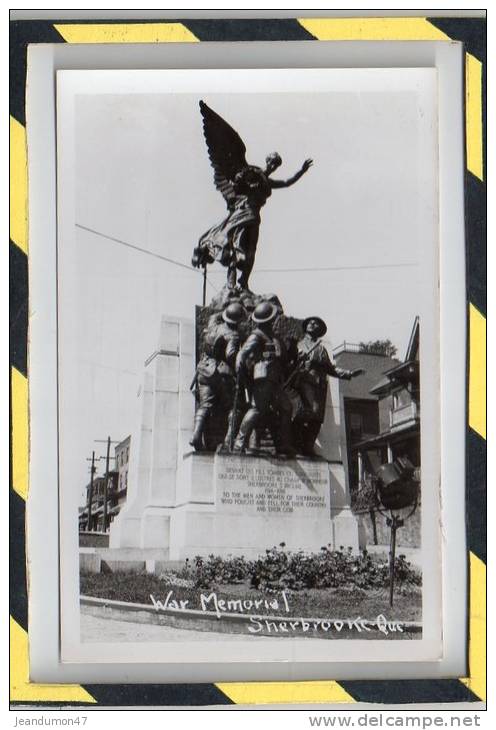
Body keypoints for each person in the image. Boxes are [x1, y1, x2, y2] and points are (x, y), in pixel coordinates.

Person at [193, 154, 313, 289]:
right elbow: (236, 182)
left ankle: (244, 281)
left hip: (254, 216)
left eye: (276, 165)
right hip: (243, 212)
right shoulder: (252, 172)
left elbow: (286, 183)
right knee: (234, 245)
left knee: (251, 250)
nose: (273, 167)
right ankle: (230, 283)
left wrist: (302, 171)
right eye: (272, 163)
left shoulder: (268, 181)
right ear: (267, 161)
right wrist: (242, 181)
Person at [290, 317, 364, 457]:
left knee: (317, 418)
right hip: (304, 383)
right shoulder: (298, 344)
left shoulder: (321, 349)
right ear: (305, 327)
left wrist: (349, 373)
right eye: (310, 322)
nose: (312, 324)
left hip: (319, 386)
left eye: (316, 323)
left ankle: (308, 447)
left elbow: (331, 369)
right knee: (302, 414)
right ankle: (296, 446)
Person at [232, 301, 295, 456]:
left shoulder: (273, 336)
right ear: (268, 319)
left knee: (286, 408)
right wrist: (239, 365)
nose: (275, 320)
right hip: (263, 378)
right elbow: (243, 353)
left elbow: (284, 359)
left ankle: (283, 445)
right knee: (256, 410)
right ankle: (239, 443)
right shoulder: (257, 335)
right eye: (273, 318)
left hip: (275, 379)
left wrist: (291, 348)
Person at [190, 303, 245, 451]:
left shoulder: (213, 323)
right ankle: (228, 440)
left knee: (205, 405)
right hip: (222, 373)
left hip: (204, 370)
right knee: (236, 407)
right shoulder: (233, 334)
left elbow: (216, 315)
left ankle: (196, 435)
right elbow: (230, 354)